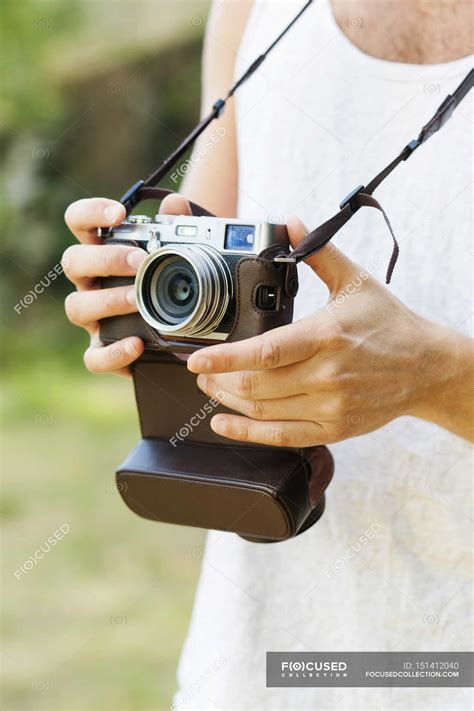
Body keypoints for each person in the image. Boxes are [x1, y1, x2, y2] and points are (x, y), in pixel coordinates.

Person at [63, 1, 473, 708]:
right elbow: (199, 240)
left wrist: (437, 378)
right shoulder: (255, 9)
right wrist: (139, 295)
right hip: (262, 660)